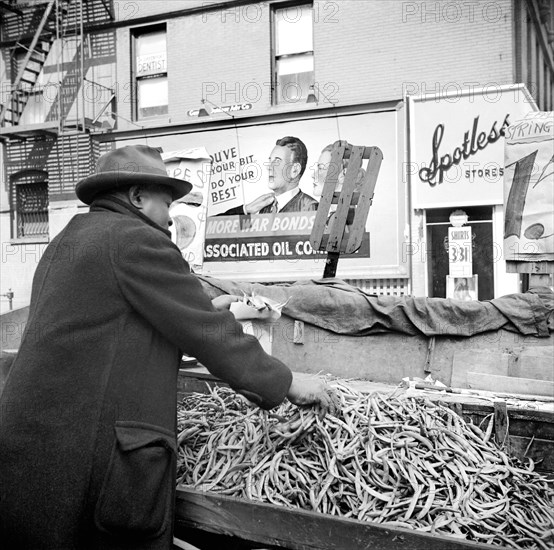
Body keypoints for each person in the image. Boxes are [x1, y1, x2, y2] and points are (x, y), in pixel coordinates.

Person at [0, 145, 336, 550]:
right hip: (88, 460)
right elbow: (206, 332)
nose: (170, 216)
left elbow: (111, 327)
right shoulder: (135, 239)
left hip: (32, 455)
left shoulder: (68, 241)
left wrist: (200, 309)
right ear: (137, 197)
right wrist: (287, 383)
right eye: (166, 202)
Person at [221, 136, 318, 215]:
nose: (269, 167)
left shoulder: (310, 207)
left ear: (295, 170)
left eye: (277, 161)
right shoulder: (265, 207)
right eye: (269, 161)